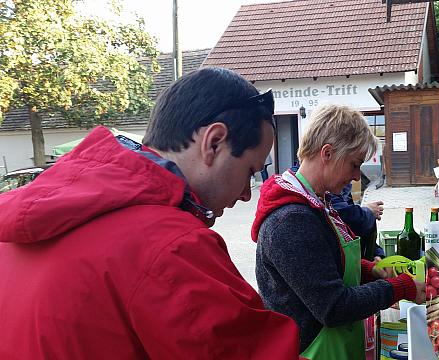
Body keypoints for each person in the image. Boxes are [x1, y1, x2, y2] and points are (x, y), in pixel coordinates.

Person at [0, 68, 301, 359]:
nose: (247, 193)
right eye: (250, 171)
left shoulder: (25, 221)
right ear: (214, 142)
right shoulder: (170, 246)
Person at [251, 104, 426, 359]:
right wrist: (401, 288)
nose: (356, 177)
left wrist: (369, 270)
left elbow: (323, 266)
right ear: (328, 153)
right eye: (354, 164)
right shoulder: (291, 221)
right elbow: (334, 307)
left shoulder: (318, 201)